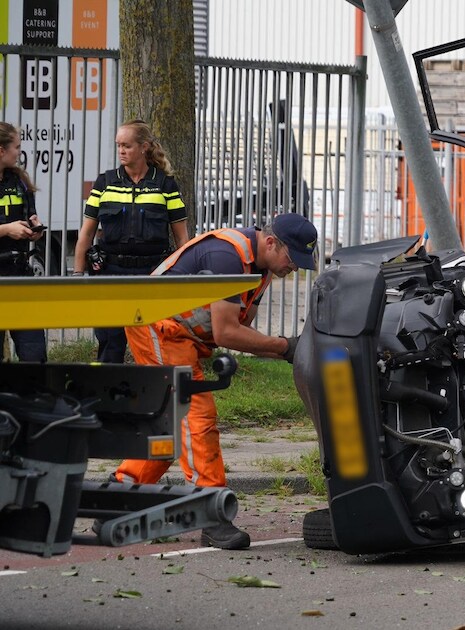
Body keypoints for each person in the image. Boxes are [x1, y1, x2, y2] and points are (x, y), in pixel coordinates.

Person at [108, 213, 318, 549]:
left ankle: (121, 492)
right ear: (270, 242)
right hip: (157, 328)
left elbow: (240, 327)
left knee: (172, 425)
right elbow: (227, 332)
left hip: (179, 336)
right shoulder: (227, 257)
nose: (293, 269)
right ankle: (212, 512)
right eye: (291, 259)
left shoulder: (260, 270)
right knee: (196, 418)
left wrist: (289, 351)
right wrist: (284, 346)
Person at [74, 120, 190, 363]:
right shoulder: (104, 183)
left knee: (155, 338)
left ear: (144, 147)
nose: (121, 151)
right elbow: (86, 233)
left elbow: (181, 236)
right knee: (110, 340)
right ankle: (106, 394)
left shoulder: (165, 185)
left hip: (152, 274)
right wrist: (77, 274)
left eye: (126, 146)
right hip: (111, 273)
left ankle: (154, 393)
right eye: (118, 146)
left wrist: (184, 274)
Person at [0, 121, 48, 363]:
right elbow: (8, 227)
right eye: (17, 147)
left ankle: (33, 400)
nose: (19, 153)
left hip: (19, 276)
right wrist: (6, 229)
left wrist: (33, 228)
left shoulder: (18, 181)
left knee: (34, 355)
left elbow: (29, 216)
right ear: (1, 150)